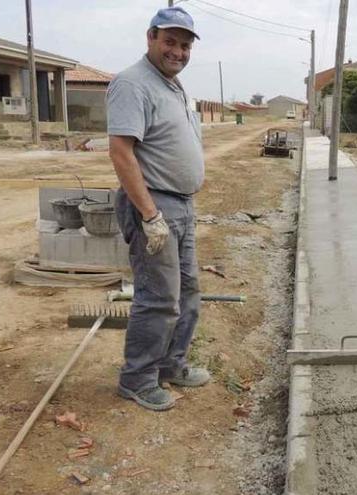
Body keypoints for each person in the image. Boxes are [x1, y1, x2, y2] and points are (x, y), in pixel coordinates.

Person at [106, 6, 209, 411]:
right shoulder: (133, 84)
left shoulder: (173, 86)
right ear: (151, 37)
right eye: (170, 41)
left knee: (187, 291)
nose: (178, 52)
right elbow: (120, 153)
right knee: (158, 297)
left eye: (185, 45)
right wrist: (150, 216)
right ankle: (137, 378)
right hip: (154, 206)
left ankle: (170, 364)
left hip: (180, 205)